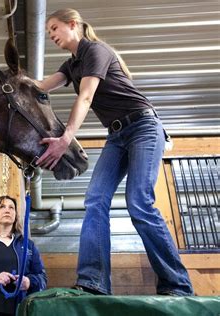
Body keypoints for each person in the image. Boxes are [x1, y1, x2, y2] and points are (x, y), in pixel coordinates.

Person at [36, 8, 193, 296]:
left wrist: (65, 138)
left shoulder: (97, 50)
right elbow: (41, 86)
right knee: (95, 199)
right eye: (48, 33)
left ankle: (177, 284)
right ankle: (93, 282)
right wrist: (4, 83)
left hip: (144, 127)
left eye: (54, 29)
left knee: (139, 203)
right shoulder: (72, 65)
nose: (51, 36)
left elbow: (86, 96)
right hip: (117, 135)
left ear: (73, 24)